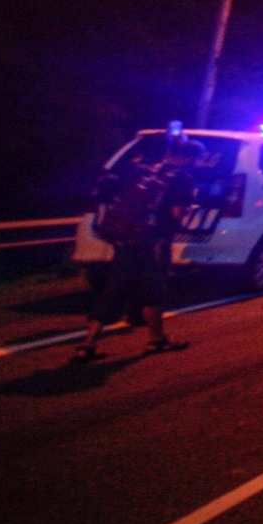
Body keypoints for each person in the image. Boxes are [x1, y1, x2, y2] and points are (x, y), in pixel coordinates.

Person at [74, 122, 198, 361]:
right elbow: (176, 214)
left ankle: (87, 344)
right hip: (155, 242)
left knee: (114, 289)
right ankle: (156, 340)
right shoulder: (182, 179)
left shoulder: (144, 171)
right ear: (189, 159)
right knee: (153, 291)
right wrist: (187, 211)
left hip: (127, 238)